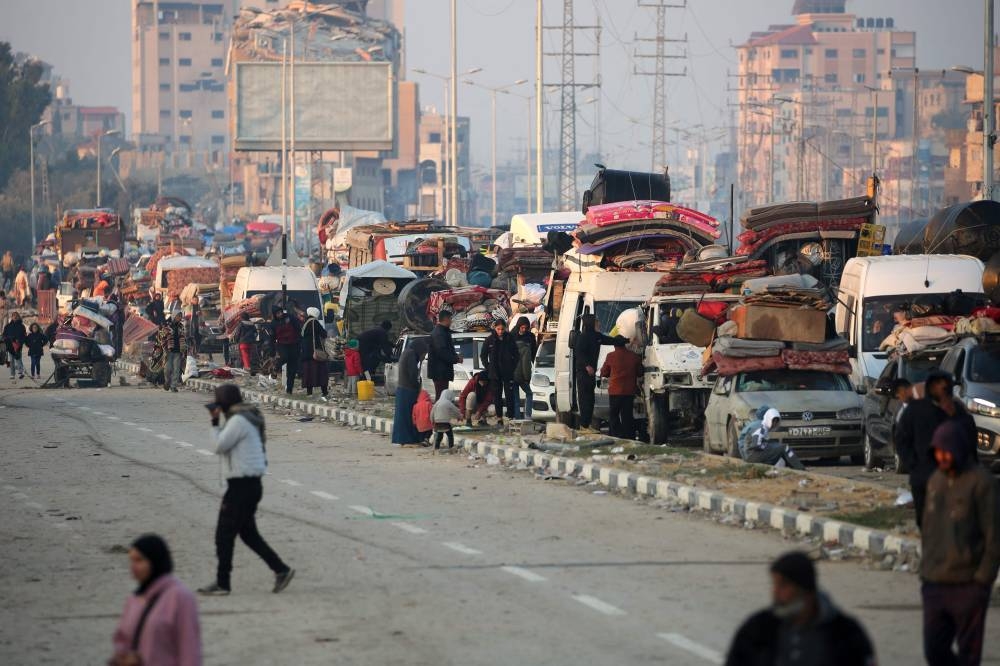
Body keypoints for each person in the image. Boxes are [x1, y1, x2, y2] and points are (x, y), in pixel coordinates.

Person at [199, 384, 294, 596]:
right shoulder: (243, 416)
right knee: (248, 534)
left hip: (242, 486)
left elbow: (218, 446)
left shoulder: (239, 421)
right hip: (248, 484)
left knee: (223, 535)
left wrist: (214, 422)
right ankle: (280, 569)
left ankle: (223, 583)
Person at [921, 419, 1000, 665]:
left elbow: (994, 537)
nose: (943, 457)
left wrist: (981, 581)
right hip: (935, 581)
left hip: (968, 584)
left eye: (948, 452)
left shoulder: (982, 483)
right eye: (938, 452)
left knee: (969, 654)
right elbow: (929, 530)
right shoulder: (935, 481)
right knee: (934, 650)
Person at [725, 551, 876, 666]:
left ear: (806, 590)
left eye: (783, 586)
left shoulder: (845, 633)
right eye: (774, 585)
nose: (775, 593)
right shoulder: (758, 629)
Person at [896, 370, 974, 528]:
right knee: (926, 523)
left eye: (944, 388)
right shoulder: (915, 410)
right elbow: (902, 441)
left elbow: (970, 443)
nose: (940, 391)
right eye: (937, 387)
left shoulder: (957, 412)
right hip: (922, 478)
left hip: (952, 479)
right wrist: (913, 464)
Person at [110, 534, 202, 666]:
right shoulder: (134, 599)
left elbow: (189, 651)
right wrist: (122, 655)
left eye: (139, 560)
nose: (133, 567)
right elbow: (122, 639)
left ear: (155, 561)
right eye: (132, 560)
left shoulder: (180, 597)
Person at [573, 314, 615, 430]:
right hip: (583, 373)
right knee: (584, 399)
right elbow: (579, 353)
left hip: (591, 374)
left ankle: (587, 424)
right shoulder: (582, 337)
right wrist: (587, 366)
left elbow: (609, 340)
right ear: (591, 324)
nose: (599, 324)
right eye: (597, 322)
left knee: (590, 400)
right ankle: (584, 425)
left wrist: (624, 340)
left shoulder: (596, 336)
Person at [600, 336, 643, 439]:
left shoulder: (610, 356)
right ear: (624, 344)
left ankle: (616, 434)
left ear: (614, 345)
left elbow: (604, 372)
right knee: (627, 415)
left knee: (614, 414)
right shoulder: (634, 356)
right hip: (629, 391)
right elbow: (640, 372)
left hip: (615, 391)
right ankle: (629, 436)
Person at [738, 407, 806, 470]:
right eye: (773, 421)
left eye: (776, 421)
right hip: (751, 455)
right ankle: (800, 469)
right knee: (784, 447)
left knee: (775, 446)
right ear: (768, 418)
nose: (775, 423)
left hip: (749, 455)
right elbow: (756, 444)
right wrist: (767, 445)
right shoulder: (762, 428)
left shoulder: (760, 425)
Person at [480, 319, 518, 427]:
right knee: (497, 396)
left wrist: (512, 366)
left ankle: (511, 418)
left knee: (509, 396)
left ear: (505, 328)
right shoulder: (490, 340)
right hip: (495, 373)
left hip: (507, 372)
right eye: (498, 329)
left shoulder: (509, 338)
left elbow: (516, 354)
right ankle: (499, 418)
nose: (500, 331)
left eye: (502, 329)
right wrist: (488, 367)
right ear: (495, 328)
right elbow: (483, 355)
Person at [391, 339, 427, 445]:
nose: (423, 357)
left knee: (402, 416)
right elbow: (412, 374)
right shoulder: (411, 354)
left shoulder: (406, 352)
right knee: (408, 416)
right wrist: (417, 388)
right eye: (423, 354)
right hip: (408, 390)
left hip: (402, 389)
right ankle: (407, 439)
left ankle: (402, 439)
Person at [427, 311, 461, 400]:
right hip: (439, 372)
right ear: (446, 319)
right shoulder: (439, 333)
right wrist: (456, 359)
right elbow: (442, 352)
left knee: (442, 396)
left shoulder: (443, 331)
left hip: (442, 371)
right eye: (450, 319)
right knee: (441, 397)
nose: (451, 321)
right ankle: (438, 414)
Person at [299, 307, 329, 400]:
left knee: (308, 373)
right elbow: (324, 334)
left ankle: (309, 393)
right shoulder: (314, 322)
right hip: (315, 353)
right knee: (321, 373)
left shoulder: (305, 323)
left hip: (305, 353)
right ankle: (324, 392)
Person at [511, 316, 538, 419]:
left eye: (525, 327)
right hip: (519, 374)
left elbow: (533, 355)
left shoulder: (529, 337)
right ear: (518, 326)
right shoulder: (513, 337)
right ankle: (527, 415)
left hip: (514, 373)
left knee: (516, 397)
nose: (523, 329)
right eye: (522, 327)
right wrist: (527, 377)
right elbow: (526, 362)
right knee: (528, 393)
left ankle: (518, 418)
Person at [270, 307, 301, 395]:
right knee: (284, 357)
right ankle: (276, 367)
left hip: (294, 344)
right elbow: (271, 339)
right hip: (282, 345)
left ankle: (289, 390)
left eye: (280, 312)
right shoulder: (273, 324)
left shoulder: (290, 318)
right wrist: (272, 352)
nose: (280, 315)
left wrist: (299, 342)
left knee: (292, 369)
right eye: (277, 314)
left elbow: (298, 329)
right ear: (275, 315)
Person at [163, 313, 187, 392]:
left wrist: (184, 349)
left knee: (176, 369)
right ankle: (167, 381)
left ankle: (173, 386)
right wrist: (165, 348)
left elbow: (184, 337)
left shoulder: (181, 326)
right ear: (174, 316)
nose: (179, 318)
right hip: (169, 351)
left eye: (180, 316)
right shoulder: (167, 325)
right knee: (167, 369)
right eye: (178, 316)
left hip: (178, 351)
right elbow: (163, 337)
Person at [2, 310, 27, 381]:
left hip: (18, 345)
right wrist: (7, 339)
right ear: (12, 317)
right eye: (13, 316)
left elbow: (24, 336)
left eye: (16, 316)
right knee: (12, 360)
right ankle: (12, 374)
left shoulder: (22, 326)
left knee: (18, 358)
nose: (15, 317)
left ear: (18, 317)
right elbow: (4, 335)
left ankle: (20, 372)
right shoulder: (8, 326)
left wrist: (20, 342)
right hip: (10, 345)